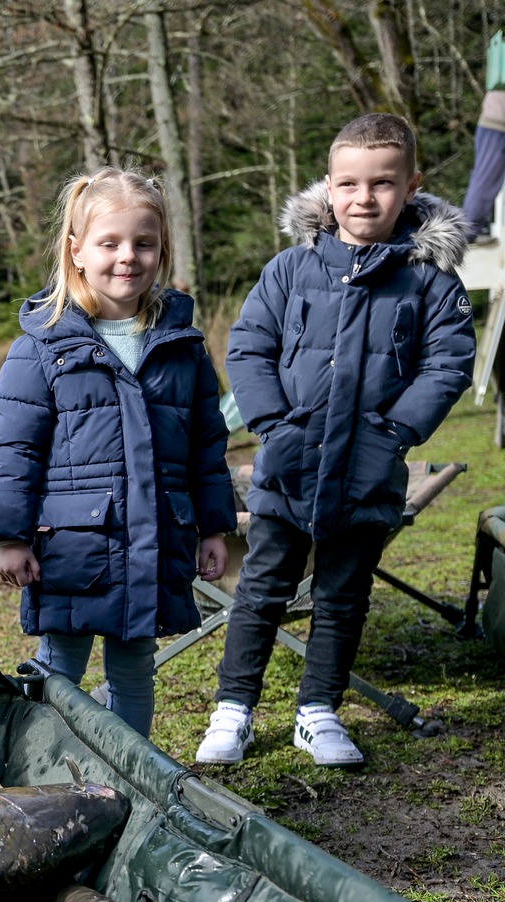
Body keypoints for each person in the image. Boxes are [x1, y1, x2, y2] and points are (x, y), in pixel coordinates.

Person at [197, 113, 476, 767]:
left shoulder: (432, 281)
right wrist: (275, 425)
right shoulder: (291, 269)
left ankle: (317, 710)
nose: (364, 197)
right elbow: (249, 346)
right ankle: (233, 708)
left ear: (411, 185)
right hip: (288, 467)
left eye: (383, 183)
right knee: (262, 588)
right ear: (328, 187)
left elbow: (448, 363)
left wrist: (394, 433)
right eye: (348, 183)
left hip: (368, 470)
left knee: (344, 594)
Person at [0, 168, 236, 738]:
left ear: (162, 249)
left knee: (135, 673)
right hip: (72, 548)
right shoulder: (42, 346)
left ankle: (130, 783)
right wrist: (11, 537)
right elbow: (12, 452)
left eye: (144, 243)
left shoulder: (184, 349)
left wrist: (215, 528)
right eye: (110, 243)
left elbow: (207, 449)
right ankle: (48, 773)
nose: (128, 257)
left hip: (155, 540)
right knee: (57, 673)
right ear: (76, 251)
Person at [462, 88, 505, 244]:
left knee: (484, 179)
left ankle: (469, 229)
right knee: (486, 181)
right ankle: (468, 231)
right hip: (498, 123)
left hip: (495, 118)